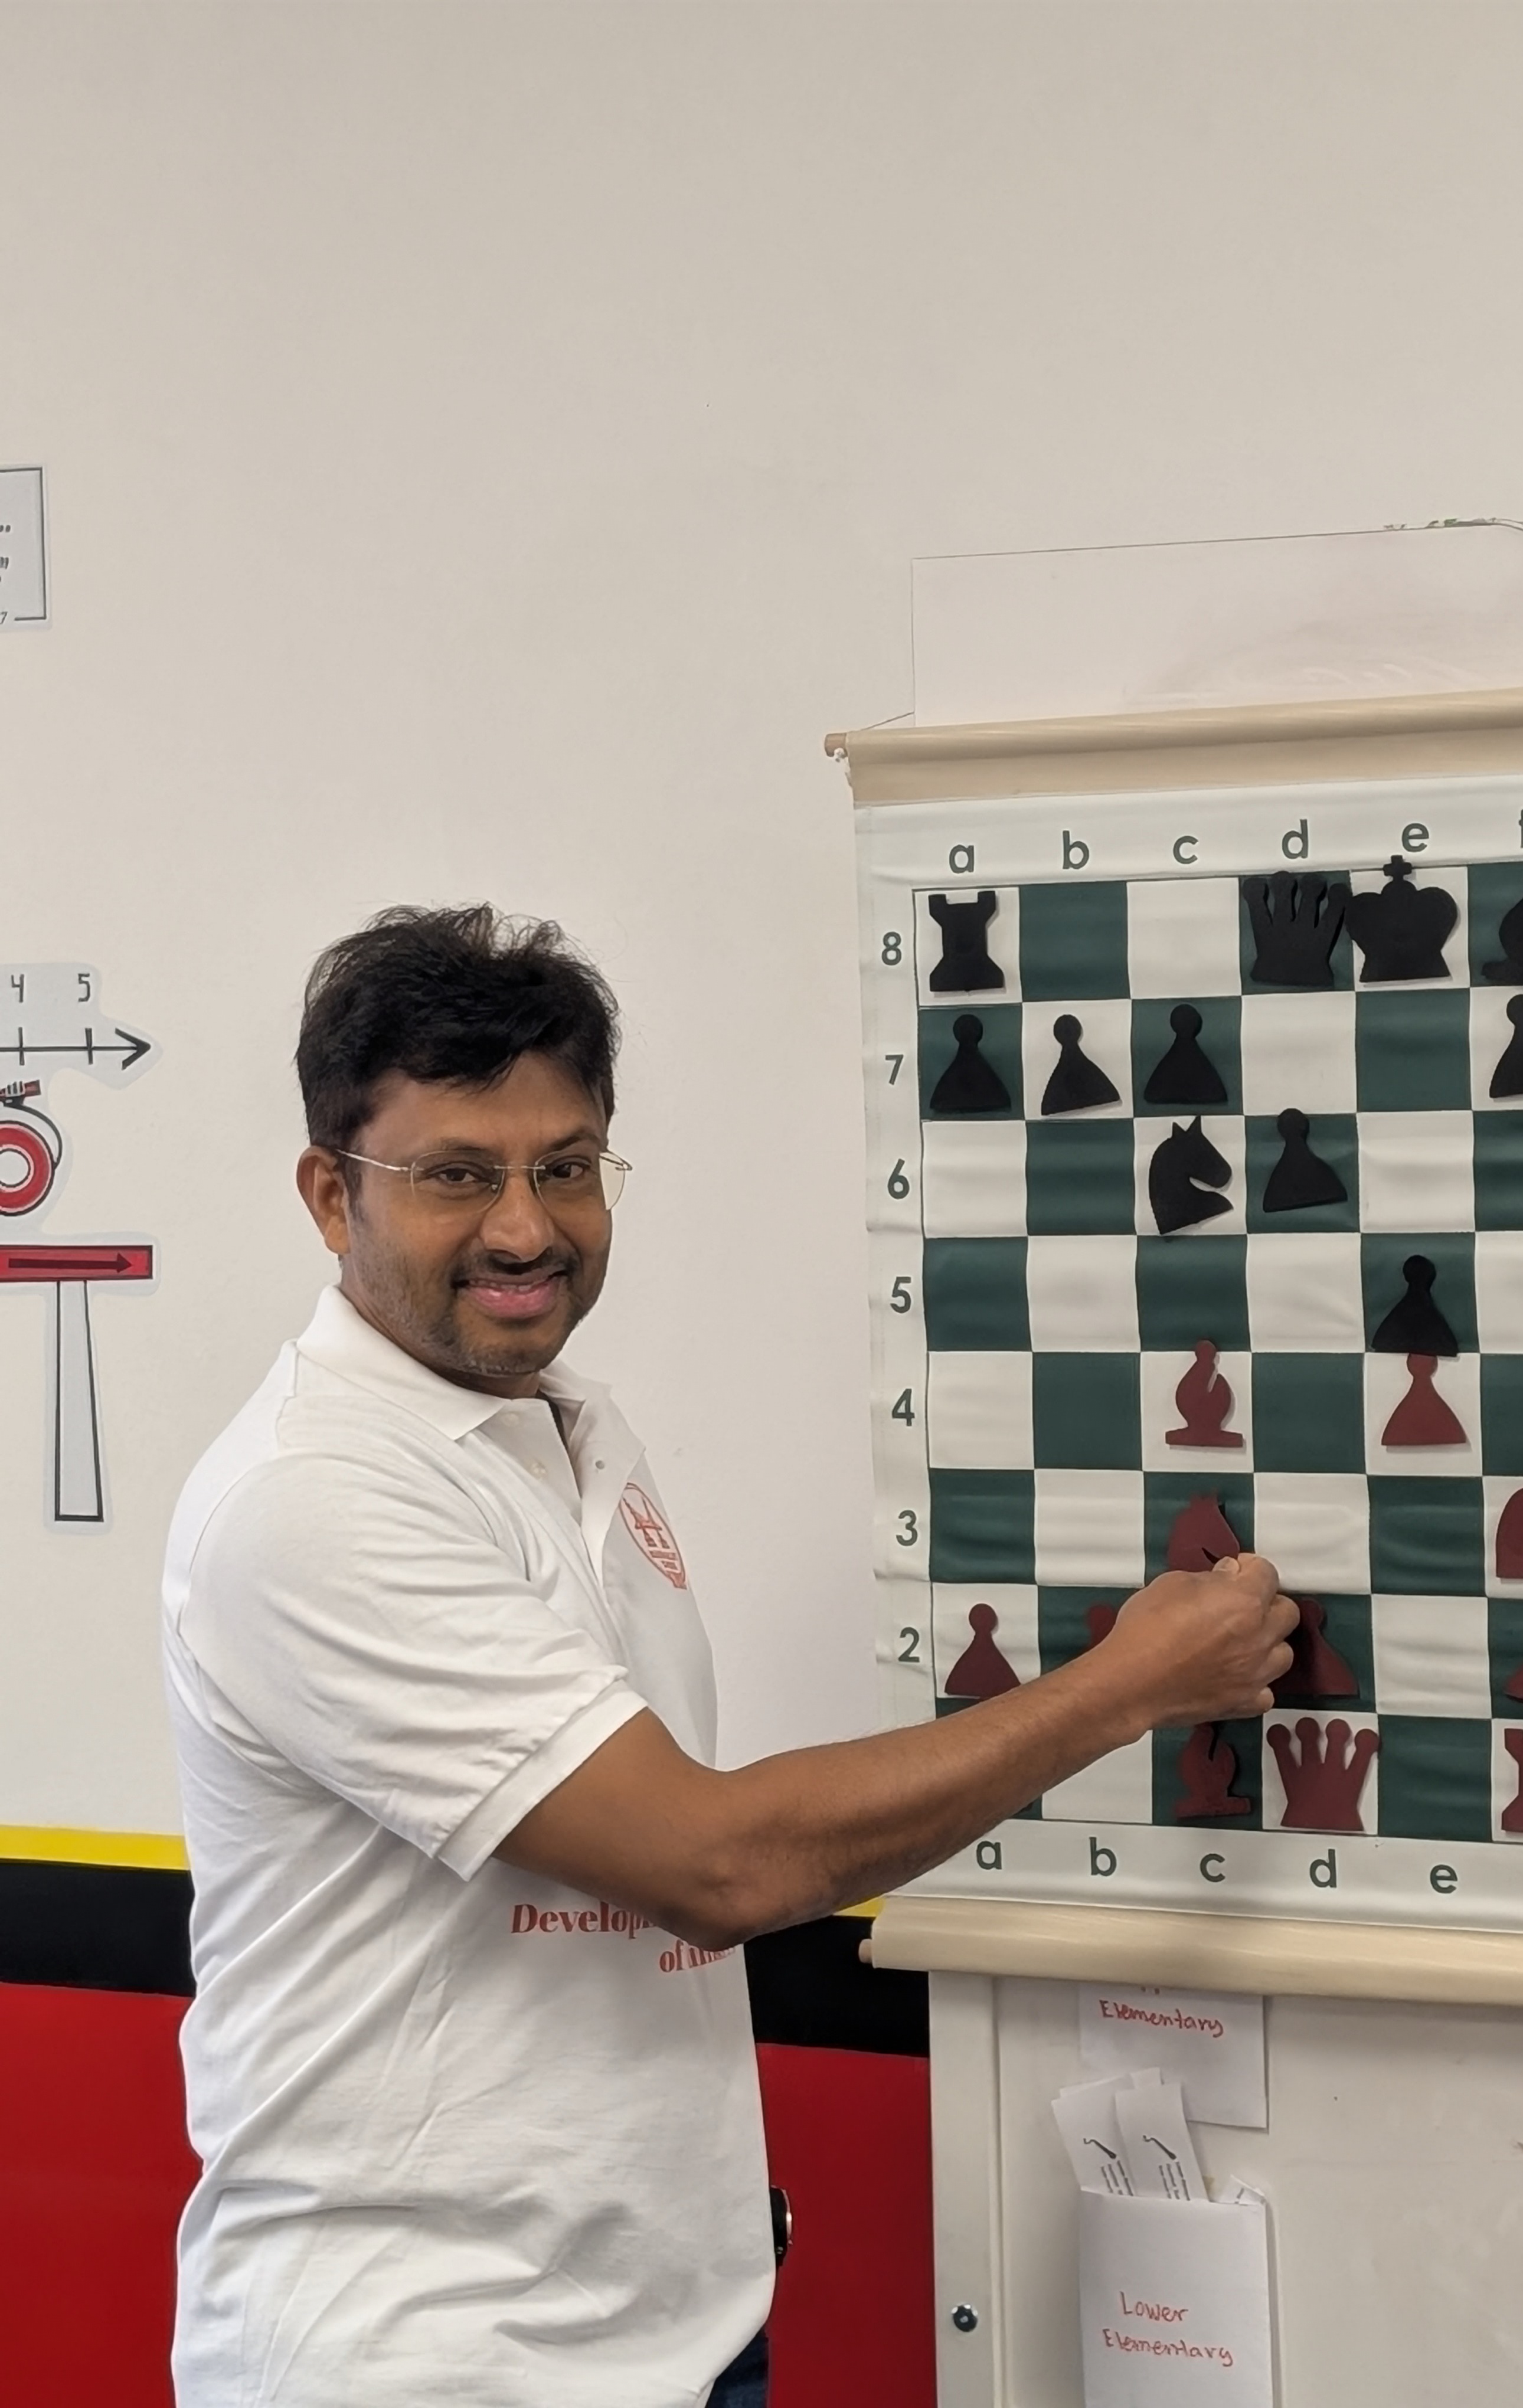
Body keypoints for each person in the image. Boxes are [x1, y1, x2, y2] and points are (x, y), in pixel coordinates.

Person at [161, 905, 1298, 2408]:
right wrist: (1129, 1688)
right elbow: (716, 1867)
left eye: (565, 1167)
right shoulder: (315, 1496)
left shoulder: (574, 1431)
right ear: (329, 1195)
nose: (524, 1227)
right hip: (425, 2360)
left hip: (660, 2339)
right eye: (455, 1176)